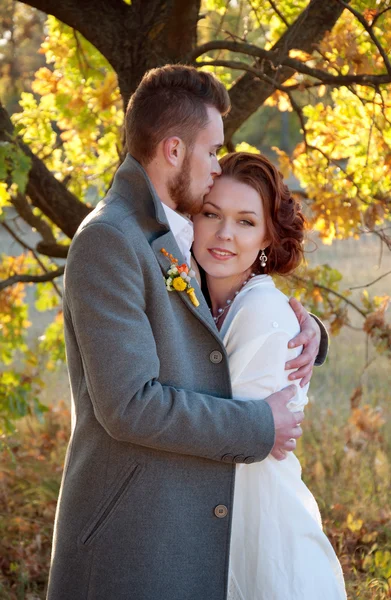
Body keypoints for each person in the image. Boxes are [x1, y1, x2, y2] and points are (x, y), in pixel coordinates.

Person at [46, 65, 328, 600]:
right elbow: (129, 404)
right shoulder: (111, 238)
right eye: (212, 149)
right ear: (174, 150)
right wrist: (258, 424)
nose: (217, 163)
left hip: (178, 529)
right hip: (130, 536)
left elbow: (222, 310)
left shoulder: (170, 226)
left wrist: (309, 326)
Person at [192, 151, 346, 599]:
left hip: (258, 529)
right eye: (211, 214)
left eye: (245, 221)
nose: (223, 235)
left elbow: (212, 431)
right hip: (216, 518)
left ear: (266, 237)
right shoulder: (198, 296)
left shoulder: (264, 313)